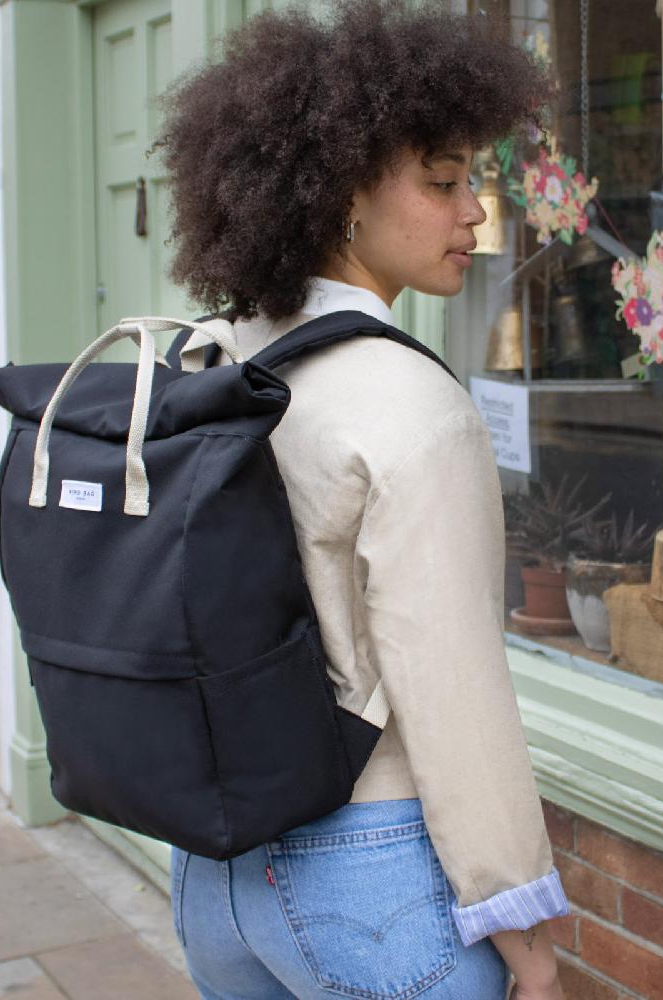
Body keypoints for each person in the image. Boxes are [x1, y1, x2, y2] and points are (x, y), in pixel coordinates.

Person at [156, 1, 570, 997]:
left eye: (471, 178)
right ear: (340, 192)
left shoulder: (214, 357)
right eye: (442, 180)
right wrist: (529, 938)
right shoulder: (412, 402)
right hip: (369, 875)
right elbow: (454, 693)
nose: (476, 209)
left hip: (213, 873)